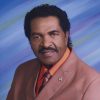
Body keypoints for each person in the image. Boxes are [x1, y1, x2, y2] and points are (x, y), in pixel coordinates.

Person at [7, 4, 100, 100]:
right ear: (29, 40)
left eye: (53, 34)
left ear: (66, 36)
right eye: (37, 37)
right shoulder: (22, 71)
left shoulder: (92, 83)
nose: (46, 44)